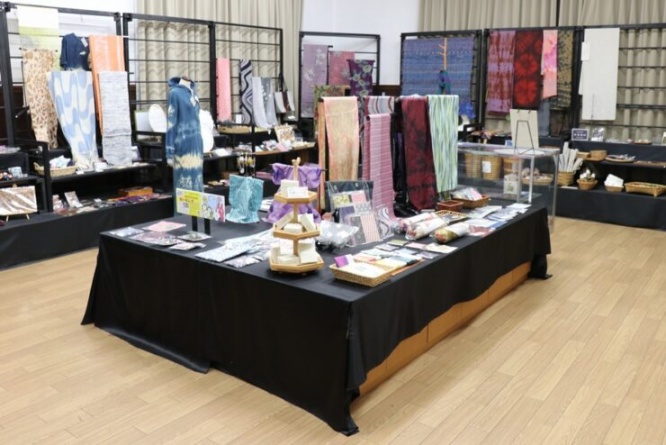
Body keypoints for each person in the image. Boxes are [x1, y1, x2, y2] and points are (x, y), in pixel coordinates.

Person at [166, 76, 204, 193]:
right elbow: (171, 123)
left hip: (196, 144)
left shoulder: (193, 93)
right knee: (184, 185)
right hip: (183, 146)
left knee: (197, 183)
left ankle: (197, 206)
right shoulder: (174, 93)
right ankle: (182, 206)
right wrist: (169, 152)